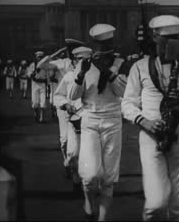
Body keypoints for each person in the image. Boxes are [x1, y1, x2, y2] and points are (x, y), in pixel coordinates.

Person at [122, 15, 179, 221]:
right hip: (151, 137)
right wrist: (144, 122)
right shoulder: (140, 66)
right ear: (155, 38)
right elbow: (127, 103)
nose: (169, 44)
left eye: (174, 39)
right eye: (165, 40)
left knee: (178, 207)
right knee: (156, 204)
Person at [69, 23, 127, 221]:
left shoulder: (120, 63)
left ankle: (102, 218)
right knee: (91, 175)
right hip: (91, 119)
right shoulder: (84, 64)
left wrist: (109, 71)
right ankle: (87, 199)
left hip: (112, 119)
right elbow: (72, 95)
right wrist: (81, 74)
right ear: (94, 45)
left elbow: (122, 92)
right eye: (100, 46)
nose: (103, 50)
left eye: (108, 45)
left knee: (109, 177)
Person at [39, 39, 85, 176]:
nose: (72, 52)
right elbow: (41, 64)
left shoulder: (83, 63)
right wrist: (56, 53)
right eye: (69, 49)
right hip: (63, 103)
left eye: (74, 49)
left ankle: (78, 168)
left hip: (80, 105)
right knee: (64, 139)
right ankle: (67, 161)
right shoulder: (62, 63)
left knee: (80, 139)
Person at [54, 46, 93, 193]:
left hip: (91, 122)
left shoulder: (96, 76)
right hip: (73, 121)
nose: (82, 63)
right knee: (72, 155)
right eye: (79, 59)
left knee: (91, 155)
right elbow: (58, 95)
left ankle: (88, 185)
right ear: (74, 61)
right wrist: (65, 104)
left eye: (86, 60)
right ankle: (76, 177)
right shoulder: (69, 76)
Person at [27, 51, 48, 123]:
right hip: (35, 84)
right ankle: (36, 114)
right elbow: (29, 74)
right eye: (38, 57)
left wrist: (47, 83)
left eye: (41, 57)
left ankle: (41, 118)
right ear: (36, 57)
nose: (39, 58)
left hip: (42, 84)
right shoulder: (33, 65)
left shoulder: (45, 65)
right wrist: (35, 72)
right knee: (35, 101)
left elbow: (47, 75)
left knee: (43, 101)